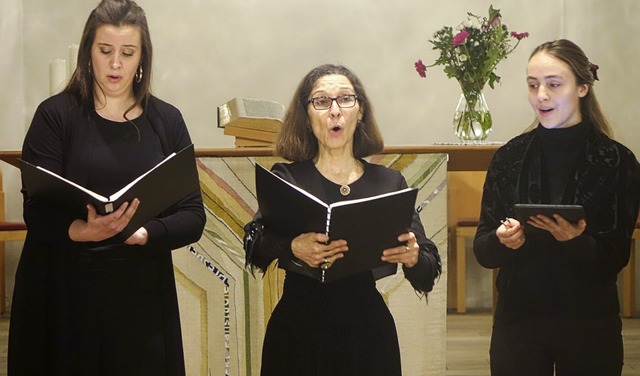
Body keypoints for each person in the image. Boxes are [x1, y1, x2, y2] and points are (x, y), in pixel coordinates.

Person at [8, 0, 205, 374]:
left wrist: (145, 232)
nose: (116, 64)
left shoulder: (167, 121)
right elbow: (36, 207)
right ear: (88, 54)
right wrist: (80, 230)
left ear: (142, 57)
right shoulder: (56, 116)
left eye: (127, 53)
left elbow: (193, 216)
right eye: (105, 51)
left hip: (140, 296)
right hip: (64, 287)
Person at [242, 64, 441, 375]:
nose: (334, 111)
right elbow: (254, 244)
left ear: (360, 112)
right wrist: (292, 246)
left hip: (367, 335)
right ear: (306, 117)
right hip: (297, 331)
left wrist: (414, 257)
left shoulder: (387, 183)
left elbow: (427, 271)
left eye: (345, 99)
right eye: (321, 101)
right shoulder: (288, 178)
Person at [473, 39, 640, 375]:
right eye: (533, 85)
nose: (541, 96)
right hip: (518, 321)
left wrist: (577, 241)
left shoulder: (617, 161)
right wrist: (502, 240)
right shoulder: (509, 158)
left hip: (589, 324)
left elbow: (617, 256)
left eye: (553, 85)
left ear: (582, 87)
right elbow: (483, 248)